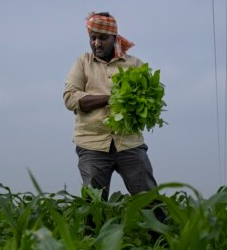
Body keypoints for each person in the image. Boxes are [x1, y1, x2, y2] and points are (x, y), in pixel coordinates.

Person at [63, 12, 161, 204]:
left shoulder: (135, 65)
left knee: (149, 200)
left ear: (114, 38)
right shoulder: (83, 63)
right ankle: (92, 236)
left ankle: (159, 234)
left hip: (129, 143)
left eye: (102, 38)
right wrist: (111, 99)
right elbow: (70, 98)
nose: (97, 43)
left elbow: (150, 99)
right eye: (93, 38)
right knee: (93, 206)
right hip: (92, 144)